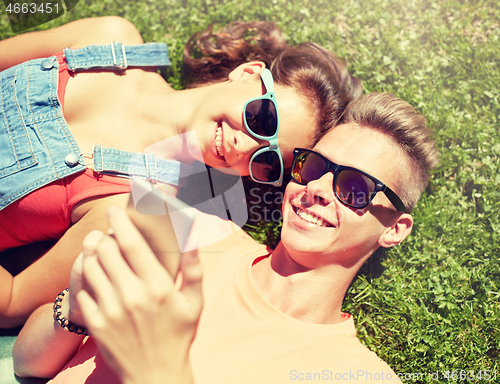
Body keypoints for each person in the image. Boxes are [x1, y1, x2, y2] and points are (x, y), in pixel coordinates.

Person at [12, 92, 439, 383]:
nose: (318, 190)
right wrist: (76, 305)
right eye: (312, 167)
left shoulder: (357, 375)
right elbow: (27, 361)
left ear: (394, 229)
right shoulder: (192, 231)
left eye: (355, 189)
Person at [0, 16, 362, 327]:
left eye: (267, 161)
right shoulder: (110, 39)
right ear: (248, 74)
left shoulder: (132, 207)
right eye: (261, 119)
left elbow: (12, 302)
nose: (245, 147)